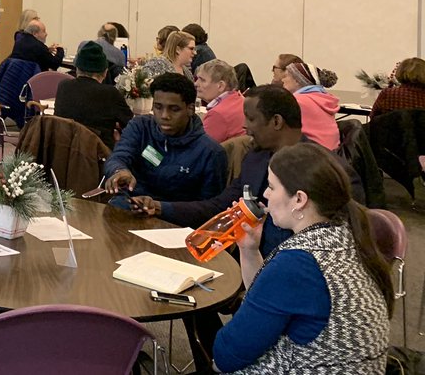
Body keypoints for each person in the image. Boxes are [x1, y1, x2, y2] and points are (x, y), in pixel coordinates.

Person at [212, 143, 391, 374]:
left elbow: (227, 355)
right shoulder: (346, 237)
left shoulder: (298, 263)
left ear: (299, 199)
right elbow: (270, 298)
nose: (265, 194)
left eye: (272, 187)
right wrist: (249, 250)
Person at [131, 86, 367, 256]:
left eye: (251, 119)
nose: (244, 126)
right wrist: (160, 207)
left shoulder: (330, 172)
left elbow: (347, 241)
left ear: (276, 122)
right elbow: (220, 205)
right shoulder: (256, 158)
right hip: (248, 258)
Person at [104, 72, 227, 206]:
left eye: (174, 109)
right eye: (158, 107)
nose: (164, 115)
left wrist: (161, 208)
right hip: (129, 205)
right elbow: (118, 156)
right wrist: (119, 170)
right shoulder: (140, 127)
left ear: (190, 109)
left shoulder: (210, 152)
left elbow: (209, 208)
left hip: (175, 216)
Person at [53, 42, 133, 148]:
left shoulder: (63, 86)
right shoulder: (110, 93)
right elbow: (131, 125)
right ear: (105, 72)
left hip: (63, 150)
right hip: (98, 153)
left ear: (77, 68)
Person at [277, 61, 340, 150]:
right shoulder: (323, 98)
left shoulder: (297, 101)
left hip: (310, 153)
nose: (282, 80)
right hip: (331, 153)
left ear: (297, 80)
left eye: (286, 76)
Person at [195, 59, 246, 143]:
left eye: (202, 80)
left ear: (220, 86)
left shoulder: (217, 115)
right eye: (197, 79)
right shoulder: (240, 99)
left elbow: (199, 147)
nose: (196, 83)